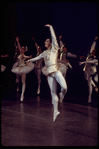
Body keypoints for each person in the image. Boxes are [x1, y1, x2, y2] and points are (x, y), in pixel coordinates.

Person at [27, 24, 67, 122]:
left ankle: (62, 94)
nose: (45, 42)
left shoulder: (54, 48)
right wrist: (30, 60)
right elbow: (37, 58)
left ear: (50, 43)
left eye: (47, 41)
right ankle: (56, 112)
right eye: (45, 41)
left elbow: (53, 37)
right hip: (49, 75)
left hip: (56, 71)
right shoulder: (44, 53)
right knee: (53, 94)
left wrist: (51, 28)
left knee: (64, 87)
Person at [11, 37, 34, 101]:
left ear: (24, 50)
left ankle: (22, 94)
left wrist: (29, 57)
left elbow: (26, 57)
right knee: (18, 80)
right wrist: (17, 41)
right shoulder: (20, 53)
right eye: (21, 48)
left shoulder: (23, 55)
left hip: (23, 68)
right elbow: (19, 46)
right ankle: (18, 87)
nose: (21, 49)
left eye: (23, 49)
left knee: (23, 82)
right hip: (18, 68)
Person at [80, 36, 98, 103]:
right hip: (86, 70)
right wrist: (95, 40)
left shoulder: (94, 58)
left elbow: (91, 63)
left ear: (95, 53)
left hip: (92, 70)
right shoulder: (89, 55)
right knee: (87, 79)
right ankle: (95, 86)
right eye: (93, 51)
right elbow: (92, 47)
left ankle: (89, 96)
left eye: (94, 51)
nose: (93, 51)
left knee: (89, 83)